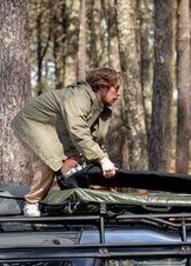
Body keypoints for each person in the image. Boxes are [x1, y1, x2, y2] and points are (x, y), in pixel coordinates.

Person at [11, 67, 121, 217]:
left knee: (79, 159)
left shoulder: (101, 108)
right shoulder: (79, 97)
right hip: (33, 122)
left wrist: (104, 160)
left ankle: (72, 199)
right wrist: (101, 158)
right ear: (102, 86)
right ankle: (32, 202)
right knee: (52, 158)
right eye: (117, 88)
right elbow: (78, 131)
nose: (119, 94)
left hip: (59, 129)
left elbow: (95, 139)